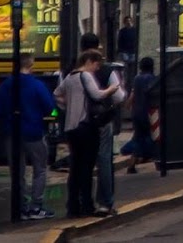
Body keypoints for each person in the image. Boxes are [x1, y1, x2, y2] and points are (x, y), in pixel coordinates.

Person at [56, 50, 122, 218]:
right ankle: (87, 205)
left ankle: (73, 206)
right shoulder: (85, 76)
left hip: (71, 128)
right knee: (86, 168)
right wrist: (111, 89)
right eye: (96, 65)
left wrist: (67, 106)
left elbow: (56, 94)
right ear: (89, 61)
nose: (96, 69)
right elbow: (96, 95)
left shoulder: (70, 76)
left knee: (75, 168)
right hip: (85, 127)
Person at [0, 53, 57, 220]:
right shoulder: (37, 85)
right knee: (40, 169)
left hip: (11, 133)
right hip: (33, 131)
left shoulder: (6, 85)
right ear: (31, 65)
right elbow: (49, 107)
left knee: (17, 172)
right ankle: (36, 207)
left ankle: (20, 207)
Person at [78, 33, 123, 215]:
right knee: (104, 159)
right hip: (101, 120)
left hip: (79, 122)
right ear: (98, 46)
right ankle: (105, 202)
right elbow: (119, 96)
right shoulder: (106, 70)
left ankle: (81, 202)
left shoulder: (70, 68)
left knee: (81, 162)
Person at [121, 58, 158, 172]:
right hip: (149, 113)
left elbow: (132, 95)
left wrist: (127, 105)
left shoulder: (137, 79)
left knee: (138, 138)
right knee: (155, 137)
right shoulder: (152, 79)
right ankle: (155, 160)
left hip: (136, 113)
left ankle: (132, 164)